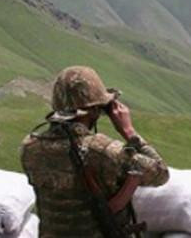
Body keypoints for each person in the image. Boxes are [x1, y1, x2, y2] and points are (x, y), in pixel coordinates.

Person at [21, 66, 169, 237]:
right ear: (95, 110)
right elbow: (161, 173)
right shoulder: (105, 152)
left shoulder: (30, 147)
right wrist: (129, 131)